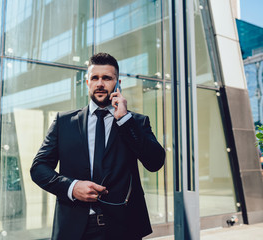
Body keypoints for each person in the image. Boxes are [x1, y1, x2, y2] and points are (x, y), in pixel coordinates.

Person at [30, 52, 165, 240]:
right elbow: (38, 168)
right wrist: (72, 187)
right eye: (95, 78)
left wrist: (125, 120)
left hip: (124, 228)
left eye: (107, 78)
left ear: (118, 84)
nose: (100, 83)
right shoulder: (64, 122)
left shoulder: (135, 122)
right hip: (74, 229)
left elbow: (155, 162)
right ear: (87, 83)